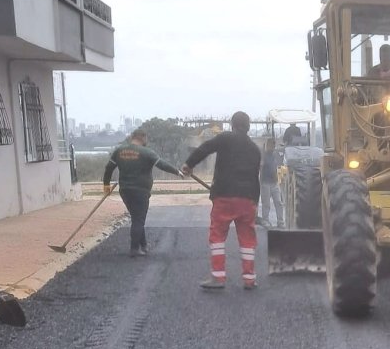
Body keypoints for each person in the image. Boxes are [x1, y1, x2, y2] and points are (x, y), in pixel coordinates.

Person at [181, 111, 261, 290]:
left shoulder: (225, 138)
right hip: (248, 199)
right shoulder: (255, 149)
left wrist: (189, 164)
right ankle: (249, 279)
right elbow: (256, 177)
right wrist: (255, 201)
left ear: (232, 124)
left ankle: (218, 277)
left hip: (225, 195)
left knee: (217, 235)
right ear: (248, 127)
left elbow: (205, 148)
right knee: (248, 239)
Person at [103, 128, 181, 257]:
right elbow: (161, 164)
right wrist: (177, 172)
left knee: (136, 218)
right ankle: (134, 249)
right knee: (139, 219)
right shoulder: (146, 152)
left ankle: (143, 245)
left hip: (125, 191)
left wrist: (106, 185)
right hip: (140, 191)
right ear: (143, 138)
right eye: (146, 139)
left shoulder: (119, 151)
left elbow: (108, 168)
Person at [259, 138, 284, 228]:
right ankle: (266, 220)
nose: (273, 147)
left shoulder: (274, 155)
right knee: (266, 204)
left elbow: (276, 166)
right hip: (265, 182)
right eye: (271, 145)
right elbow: (260, 167)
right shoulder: (263, 155)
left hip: (274, 182)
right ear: (267, 145)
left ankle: (280, 221)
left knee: (279, 202)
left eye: (274, 145)